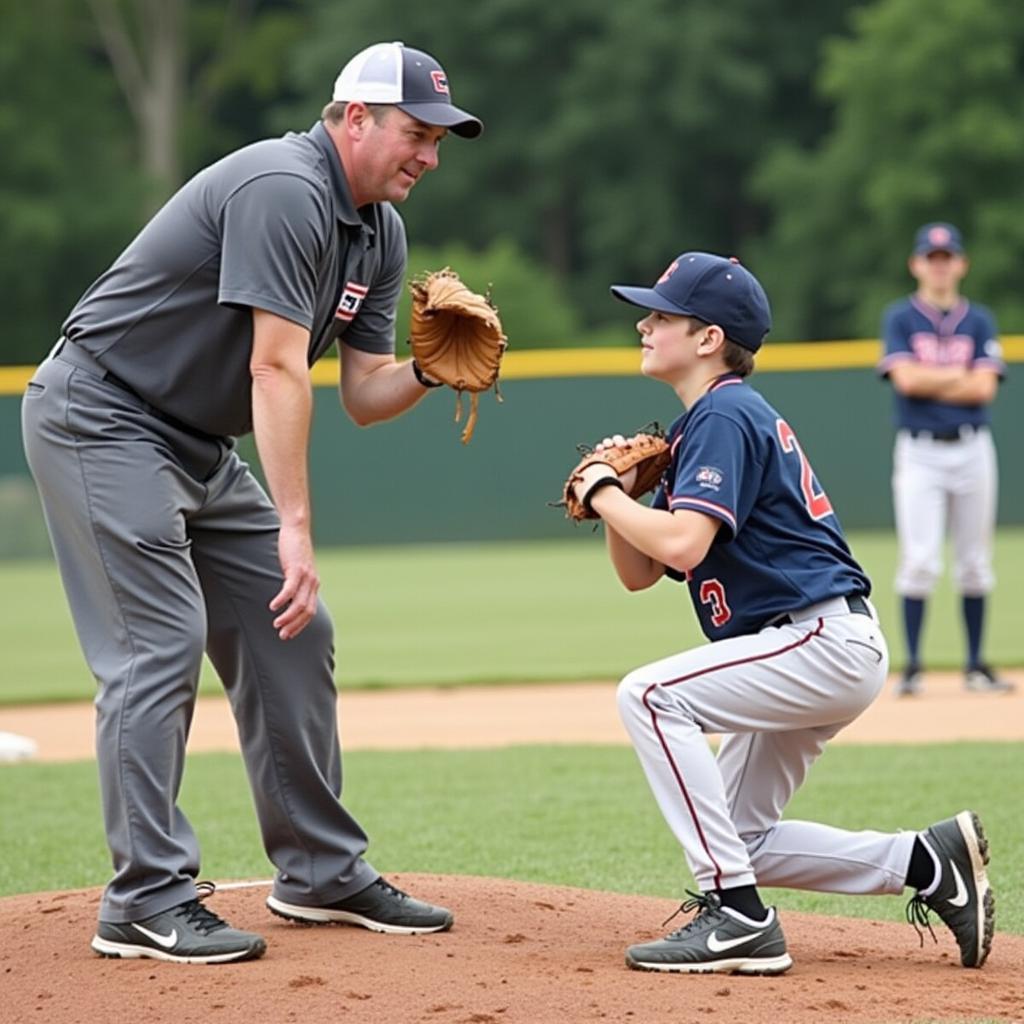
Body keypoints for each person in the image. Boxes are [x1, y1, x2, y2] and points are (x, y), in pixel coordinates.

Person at [21, 41, 482, 965]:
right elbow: (275, 366)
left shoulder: (377, 231)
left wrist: (429, 372)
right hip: (103, 415)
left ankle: (318, 872)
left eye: (439, 139)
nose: (428, 154)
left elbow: (361, 395)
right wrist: (296, 527)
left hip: (193, 441)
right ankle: (144, 898)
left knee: (293, 631)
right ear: (355, 118)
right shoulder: (284, 187)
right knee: (158, 641)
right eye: (415, 132)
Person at [570, 252, 994, 974]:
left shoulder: (724, 412)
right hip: (816, 643)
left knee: (647, 694)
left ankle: (736, 916)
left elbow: (683, 539)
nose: (644, 324)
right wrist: (623, 504)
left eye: (662, 315)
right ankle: (927, 862)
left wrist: (605, 492)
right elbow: (644, 572)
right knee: (742, 838)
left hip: (816, 638)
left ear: (708, 338)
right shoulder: (707, 424)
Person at [879, 223, 1013, 697]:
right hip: (919, 451)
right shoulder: (899, 316)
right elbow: (906, 383)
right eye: (931, 257)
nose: (939, 264)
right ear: (917, 264)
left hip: (973, 447)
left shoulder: (979, 319)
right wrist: (957, 375)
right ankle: (913, 666)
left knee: (976, 562)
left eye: (947, 256)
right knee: (919, 560)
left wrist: (931, 376)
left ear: (961, 263)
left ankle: (975, 665)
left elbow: (985, 388)